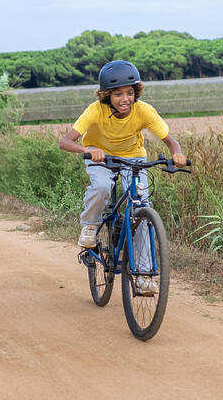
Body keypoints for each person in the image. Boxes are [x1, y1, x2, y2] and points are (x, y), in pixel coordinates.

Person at [59, 60, 187, 295]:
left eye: (130, 92)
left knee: (141, 207)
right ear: (106, 95)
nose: (125, 99)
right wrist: (87, 150)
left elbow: (170, 141)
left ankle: (144, 275)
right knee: (101, 188)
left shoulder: (143, 110)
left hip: (134, 159)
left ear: (136, 92)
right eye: (118, 94)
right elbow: (65, 141)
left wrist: (176, 153)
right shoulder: (95, 110)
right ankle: (90, 226)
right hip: (100, 157)